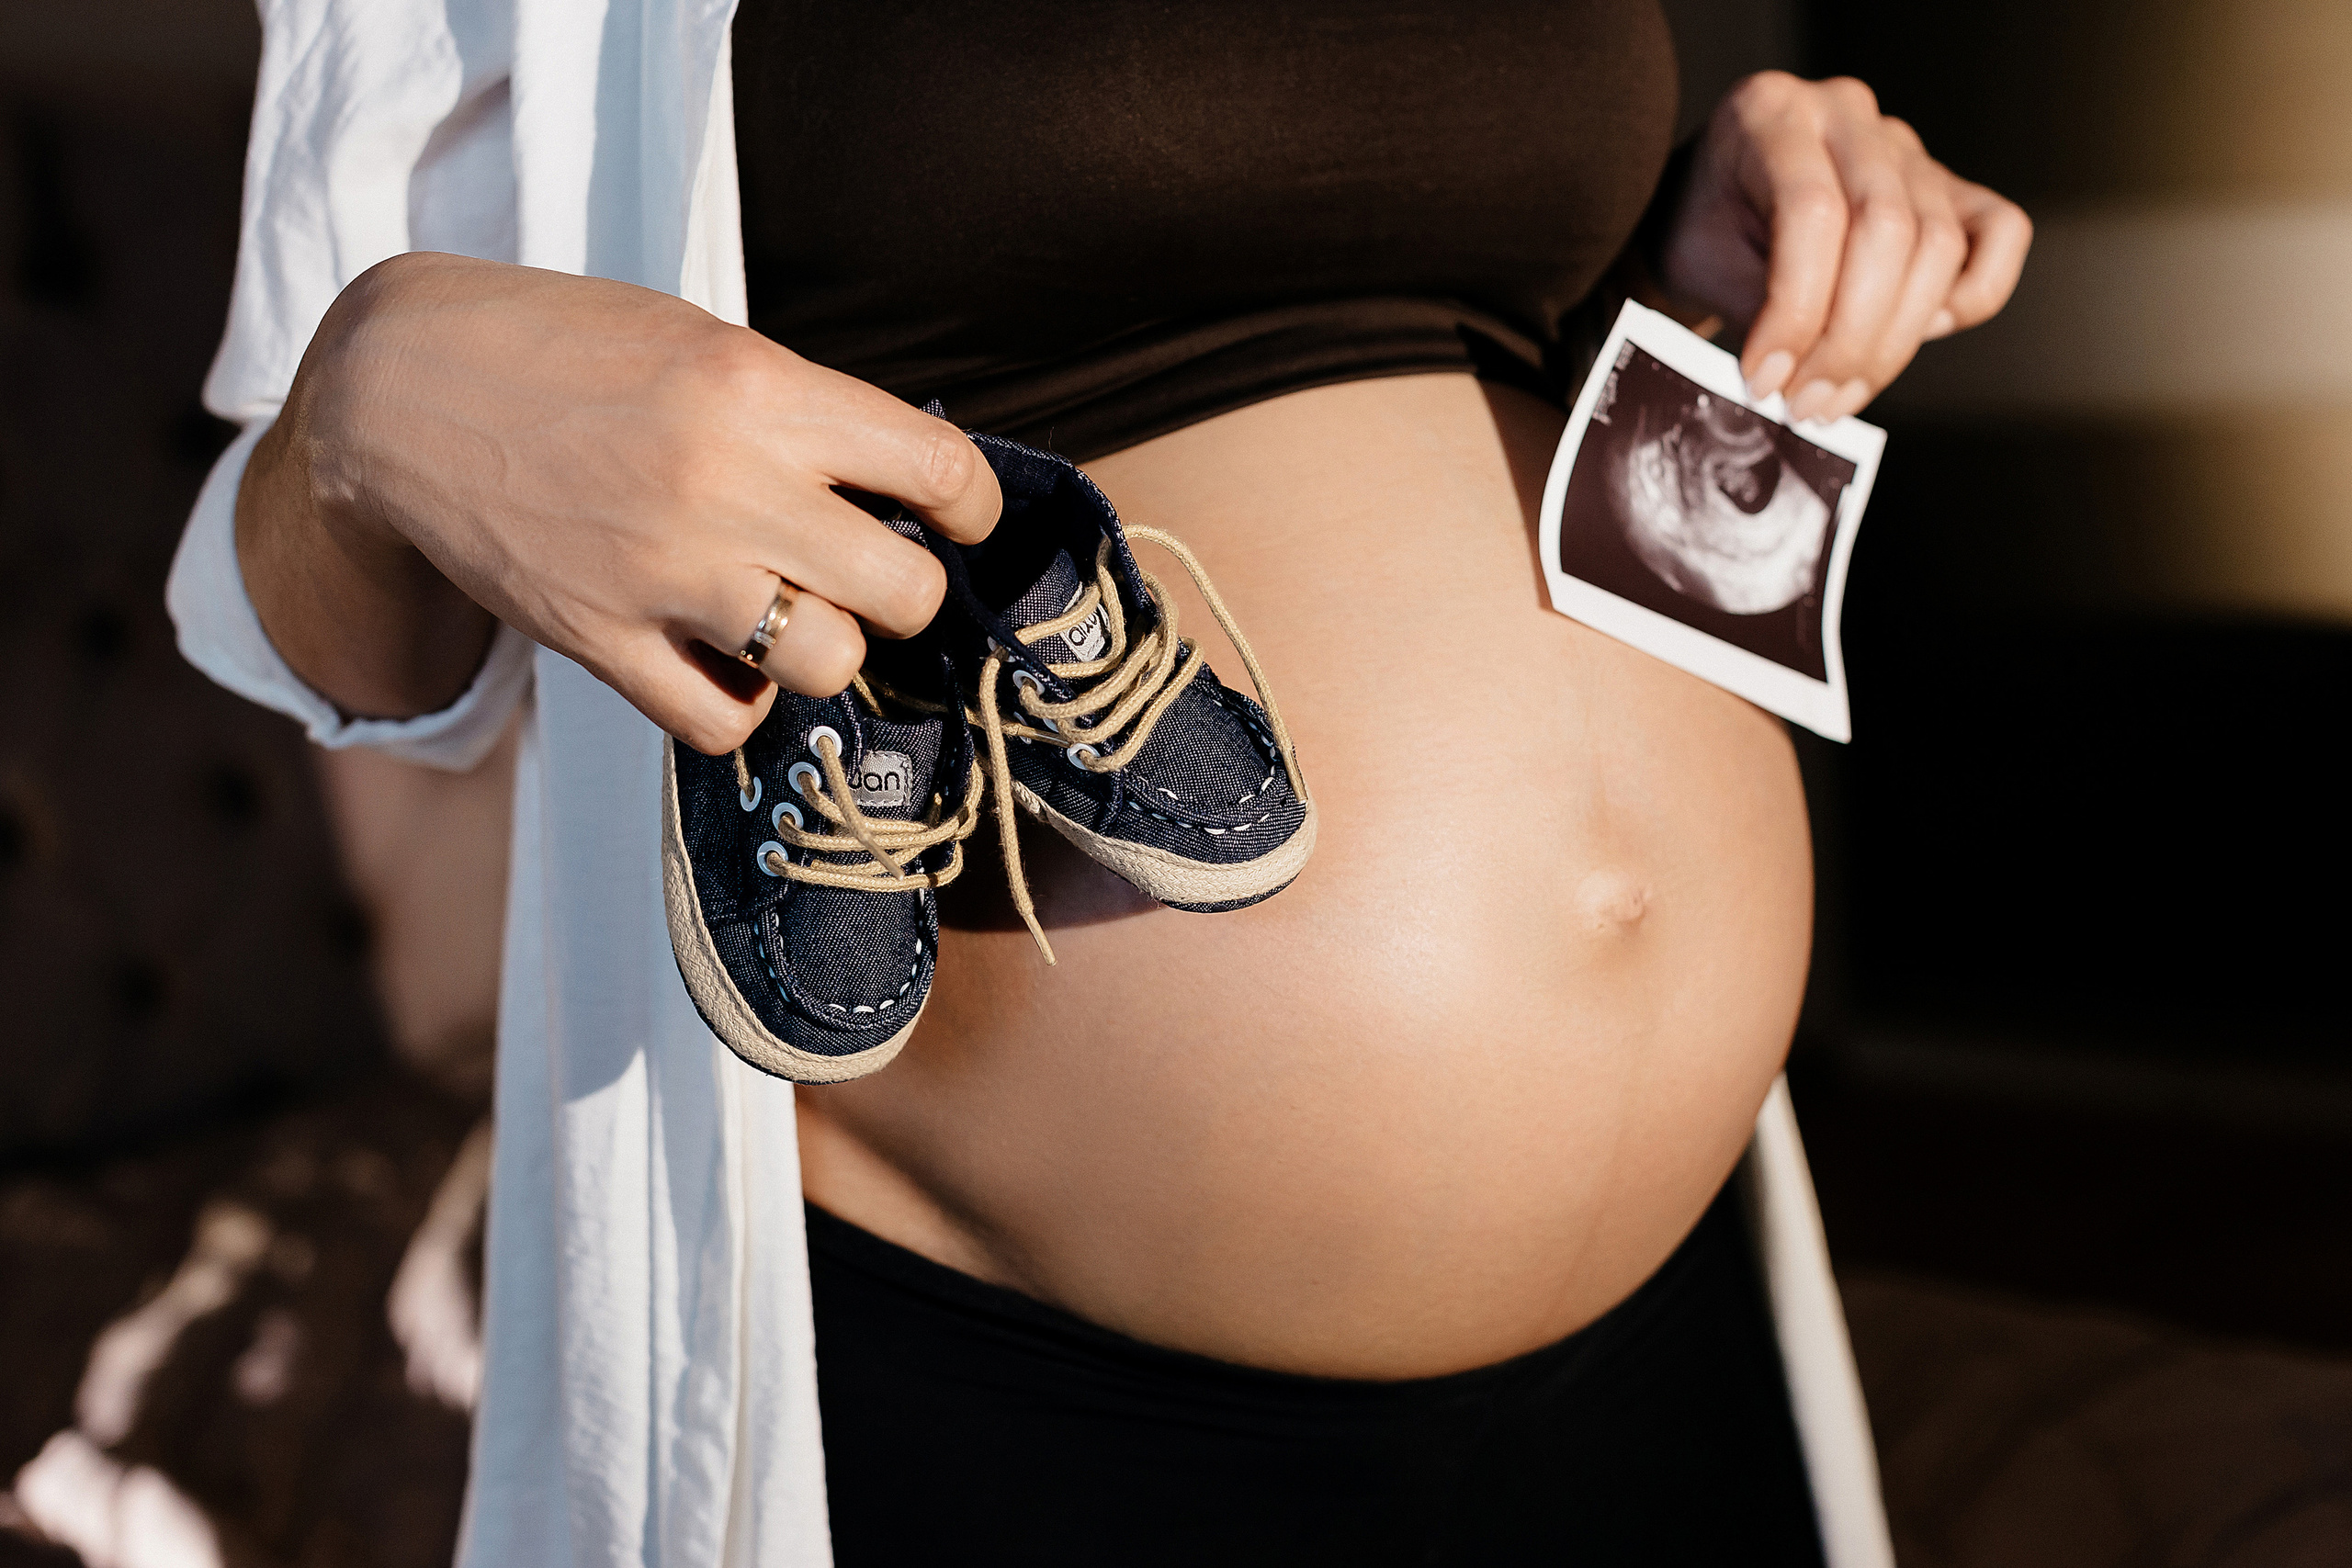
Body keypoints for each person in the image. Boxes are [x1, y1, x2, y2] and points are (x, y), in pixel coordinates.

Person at [169, 2, 2030, 1563]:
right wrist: (360, 411)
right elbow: (334, 640)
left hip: (1668, 1313)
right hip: (1021, 1368)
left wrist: (1682, 252)